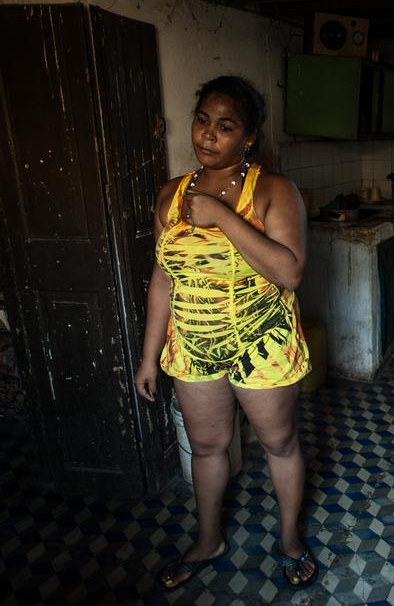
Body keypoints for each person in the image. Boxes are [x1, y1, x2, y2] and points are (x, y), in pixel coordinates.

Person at [133, 76, 317, 591]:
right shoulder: (170, 195)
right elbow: (163, 276)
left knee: (279, 444)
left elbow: (290, 272)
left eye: (226, 126)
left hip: (264, 345)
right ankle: (208, 538)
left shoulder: (275, 191)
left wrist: (219, 216)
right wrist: (150, 357)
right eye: (202, 121)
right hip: (192, 345)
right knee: (208, 447)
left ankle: (288, 541)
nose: (209, 135)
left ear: (248, 137)